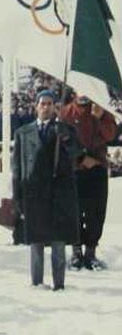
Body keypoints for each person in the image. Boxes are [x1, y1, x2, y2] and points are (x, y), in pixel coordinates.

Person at [12, 89, 79, 291]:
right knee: (36, 241)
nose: (46, 107)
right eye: (43, 104)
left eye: (50, 104)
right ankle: (37, 282)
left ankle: (59, 284)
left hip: (58, 193)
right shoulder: (23, 133)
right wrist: (18, 196)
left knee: (58, 242)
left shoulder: (64, 131)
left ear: (55, 107)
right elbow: (18, 167)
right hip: (34, 193)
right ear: (36, 107)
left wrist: (66, 138)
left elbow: (77, 153)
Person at [59, 94, 117, 270]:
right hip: (74, 169)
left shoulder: (102, 111)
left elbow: (111, 135)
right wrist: (81, 158)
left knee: (96, 213)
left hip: (97, 169)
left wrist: (99, 118)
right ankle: (76, 252)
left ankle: (91, 252)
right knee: (73, 211)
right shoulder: (67, 112)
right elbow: (63, 138)